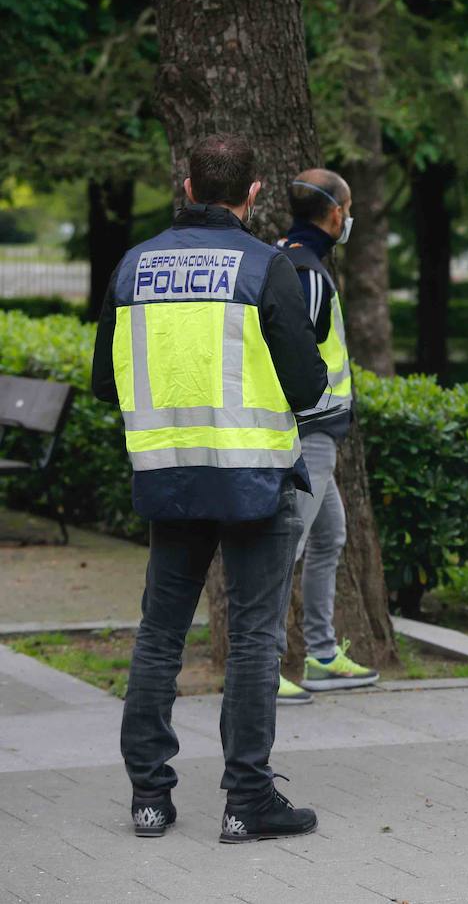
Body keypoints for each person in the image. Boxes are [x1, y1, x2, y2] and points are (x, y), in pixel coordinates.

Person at [90, 134, 325, 843]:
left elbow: (106, 382)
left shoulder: (135, 266)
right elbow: (309, 385)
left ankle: (150, 800)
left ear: (187, 188)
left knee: (159, 637)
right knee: (254, 640)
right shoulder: (264, 267)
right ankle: (246, 802)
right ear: (252, 194)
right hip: (253, 479)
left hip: (169, 478)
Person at [270, 168, 378, 706]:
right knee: (284, 546)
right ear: (335, 214)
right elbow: (296, 355)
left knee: (329, 536)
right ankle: (262, 666)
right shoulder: (306, 271)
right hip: (309, 433)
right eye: (349, 207)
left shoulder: (285, 255)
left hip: (317, 434)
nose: (349, 217)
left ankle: (320, 653)